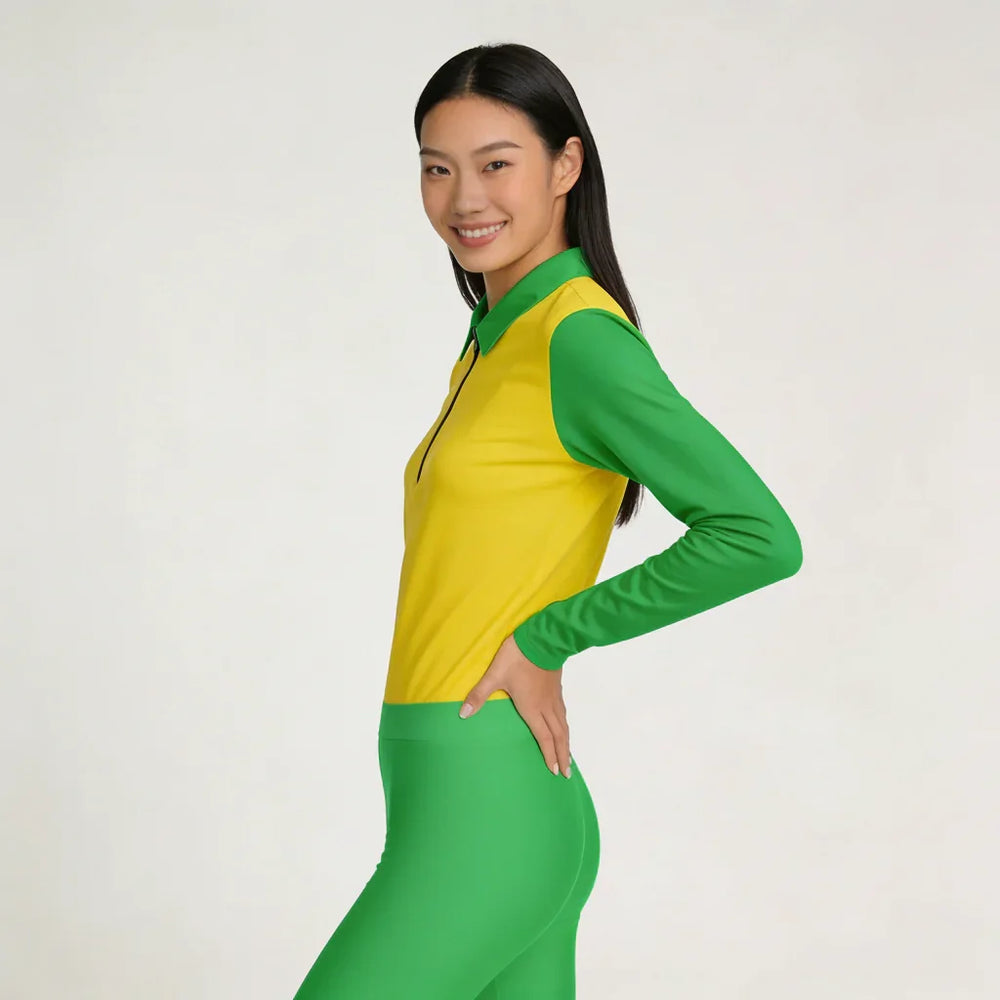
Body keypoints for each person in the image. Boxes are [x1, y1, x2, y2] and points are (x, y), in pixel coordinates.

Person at [291, 42, 802, 1000]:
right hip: (468, 792)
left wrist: (548, 636)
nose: (463, 198)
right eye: (437, 169)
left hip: (489, 810)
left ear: (566, 165)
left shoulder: (577, 335)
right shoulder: (496, 342)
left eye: (496, 164)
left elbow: (757, 535)